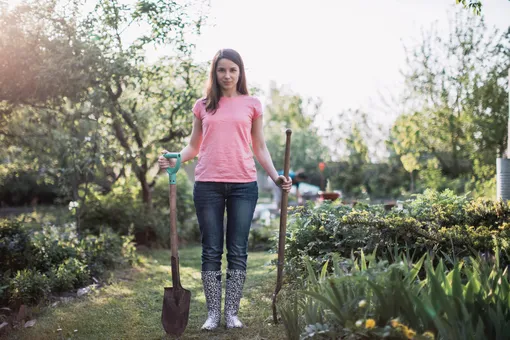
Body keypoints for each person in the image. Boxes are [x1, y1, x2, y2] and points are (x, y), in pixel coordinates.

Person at [158, 48, 292, 331]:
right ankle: (212, 315)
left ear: (240, 72)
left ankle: (231, 313)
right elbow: (193, 147)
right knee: (210, 251)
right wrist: (174, 159)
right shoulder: (203, 105)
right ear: (215, 73)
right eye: (222, 70)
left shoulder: (252, 104)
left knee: (238, 250)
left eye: (233, 69)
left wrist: (276, 176)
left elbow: (259, 146)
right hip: (207, 185)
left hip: (244, 185)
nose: (227, 75)